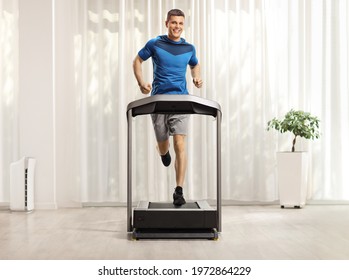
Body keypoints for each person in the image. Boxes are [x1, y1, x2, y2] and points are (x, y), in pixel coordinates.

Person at [133, 9, 203, 206]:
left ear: (184, 25)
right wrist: (141, 83)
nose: (177, 27)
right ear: (166, 23)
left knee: (180, 144)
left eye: (180, 23)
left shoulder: (189, 48)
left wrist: (196, 76)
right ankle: (162, 150)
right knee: (165, 147)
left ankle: (179, 190)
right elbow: (137, 61)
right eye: (173, 23)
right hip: (159, 101)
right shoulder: (155, 43)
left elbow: (195, 65)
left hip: (181, 101)